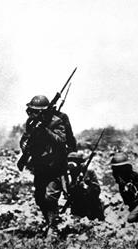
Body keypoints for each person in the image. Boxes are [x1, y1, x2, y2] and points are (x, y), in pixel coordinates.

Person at [19, 95, 67, 236]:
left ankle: (53, 228)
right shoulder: (31, 123)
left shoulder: (56, 122)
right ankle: (49, 223)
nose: (32, 113)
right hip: (40, 166)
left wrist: (45, 131)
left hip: (55, 167)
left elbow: (61, 141)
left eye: (35, 111)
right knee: (39, 198)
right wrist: (25, 147)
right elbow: (25, 138)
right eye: (31, 111)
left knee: (50, 197)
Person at [65, 152, 104, 220]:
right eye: (69, 160)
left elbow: (97, 190)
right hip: (78, 206)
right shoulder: (69, 173)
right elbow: (68, 190)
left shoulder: (89, 172)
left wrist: (88, 185)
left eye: (74, 160)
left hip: (91, 205)